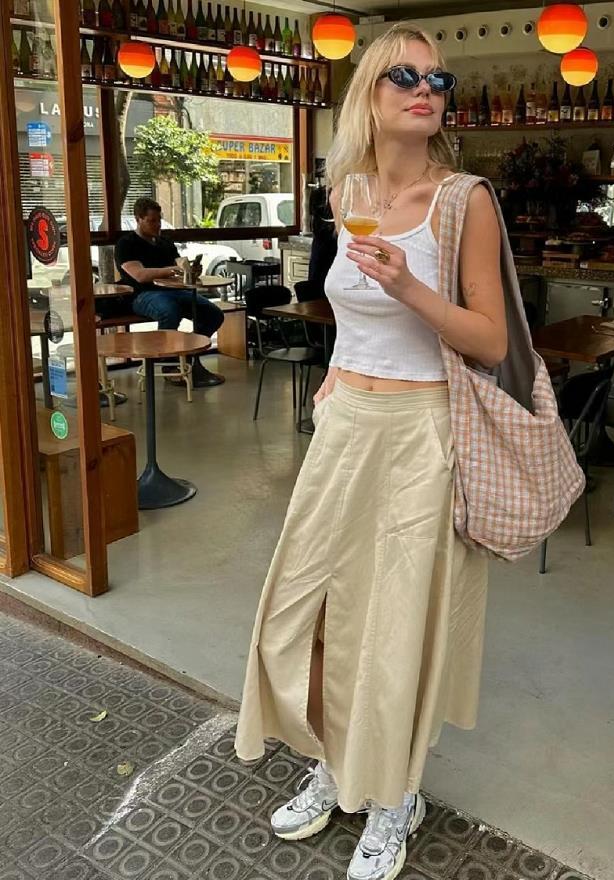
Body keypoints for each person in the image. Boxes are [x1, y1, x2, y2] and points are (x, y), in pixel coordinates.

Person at [235, 23, 507, 880]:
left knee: (394, 625)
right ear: (367, 94)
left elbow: (491, 340)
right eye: (404, 76)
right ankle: (332, 761)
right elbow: (350, 310)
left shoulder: (463, 200)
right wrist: (334, 375)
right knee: (311, 609)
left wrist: (409, 285)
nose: (426, 90)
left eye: (438, 79)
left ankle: (394, 795)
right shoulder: (345, 188)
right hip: (346, 423)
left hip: (422, 433)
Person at [111, 197, 224, 340]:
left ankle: (192, 347)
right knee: (169, 312)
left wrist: (190, 270)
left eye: (159, 220)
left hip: (174, 291)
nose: (158, 225)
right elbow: (140, 275)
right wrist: (175, 269)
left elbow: (179, 263)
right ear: (138, 219)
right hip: (141, 294)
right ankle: (163, 352)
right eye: (152, 221)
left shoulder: (165, 242)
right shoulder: (126, 244)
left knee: (214, 314)